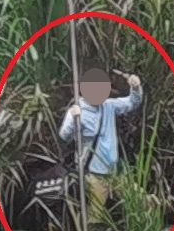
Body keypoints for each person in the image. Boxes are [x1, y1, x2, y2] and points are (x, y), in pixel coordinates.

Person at [56, 70, 143, 219]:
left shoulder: (108, 105)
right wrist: (73, 119)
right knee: (96, 216)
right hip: (93, 174)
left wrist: (135, 88)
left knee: (138, 201)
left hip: (114, 171)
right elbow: (64, 136)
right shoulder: (77, 112)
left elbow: (132, 103)